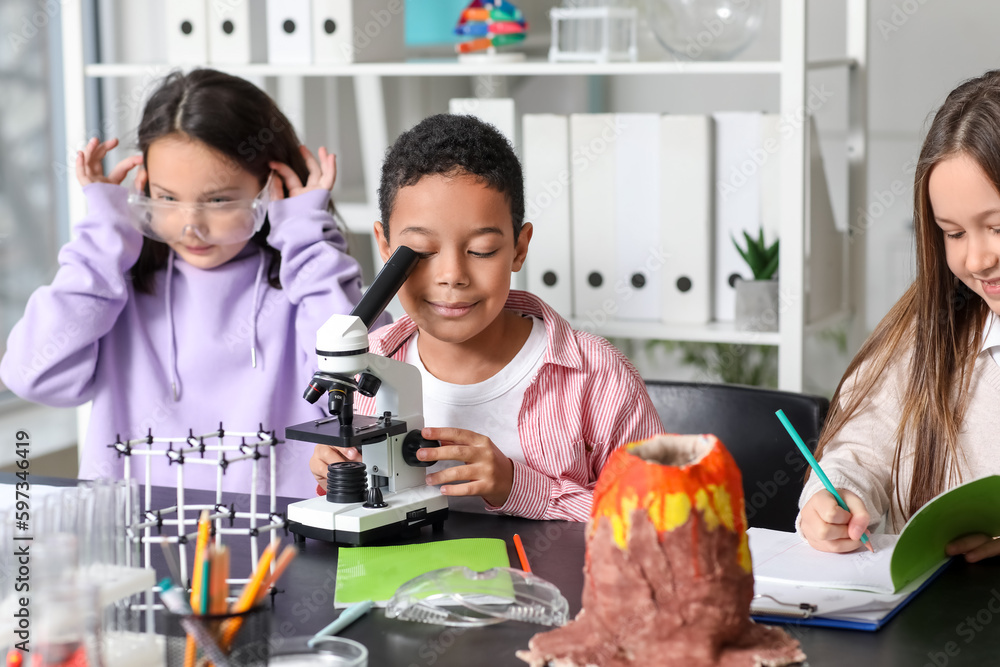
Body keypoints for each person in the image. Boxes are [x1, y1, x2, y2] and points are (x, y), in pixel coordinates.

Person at [0, 69, 385, 497]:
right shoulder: (112, 287)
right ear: (142, 185)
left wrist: (306, 234)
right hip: (134, 549)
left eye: (218, 200)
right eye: (166, 197)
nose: (190, 228)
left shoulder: (305, 283)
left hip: (278, 548)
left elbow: (366, 378)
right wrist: (103, 236)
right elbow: (32, 374)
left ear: (271, 188)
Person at [308, 113, 664, 521]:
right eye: (421, 252)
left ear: (518, 247)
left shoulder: (596, 376)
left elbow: (657, 518)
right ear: (386, 248)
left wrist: (519, 485)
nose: (452, 276)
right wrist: (333, 471)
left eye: (481, 251)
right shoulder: (366, 360)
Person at [798, 69, 1000, 563]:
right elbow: (861, 451)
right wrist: (837, 499)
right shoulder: (929, 331)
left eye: (996, 227)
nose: (976, 260)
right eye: (953, 234)